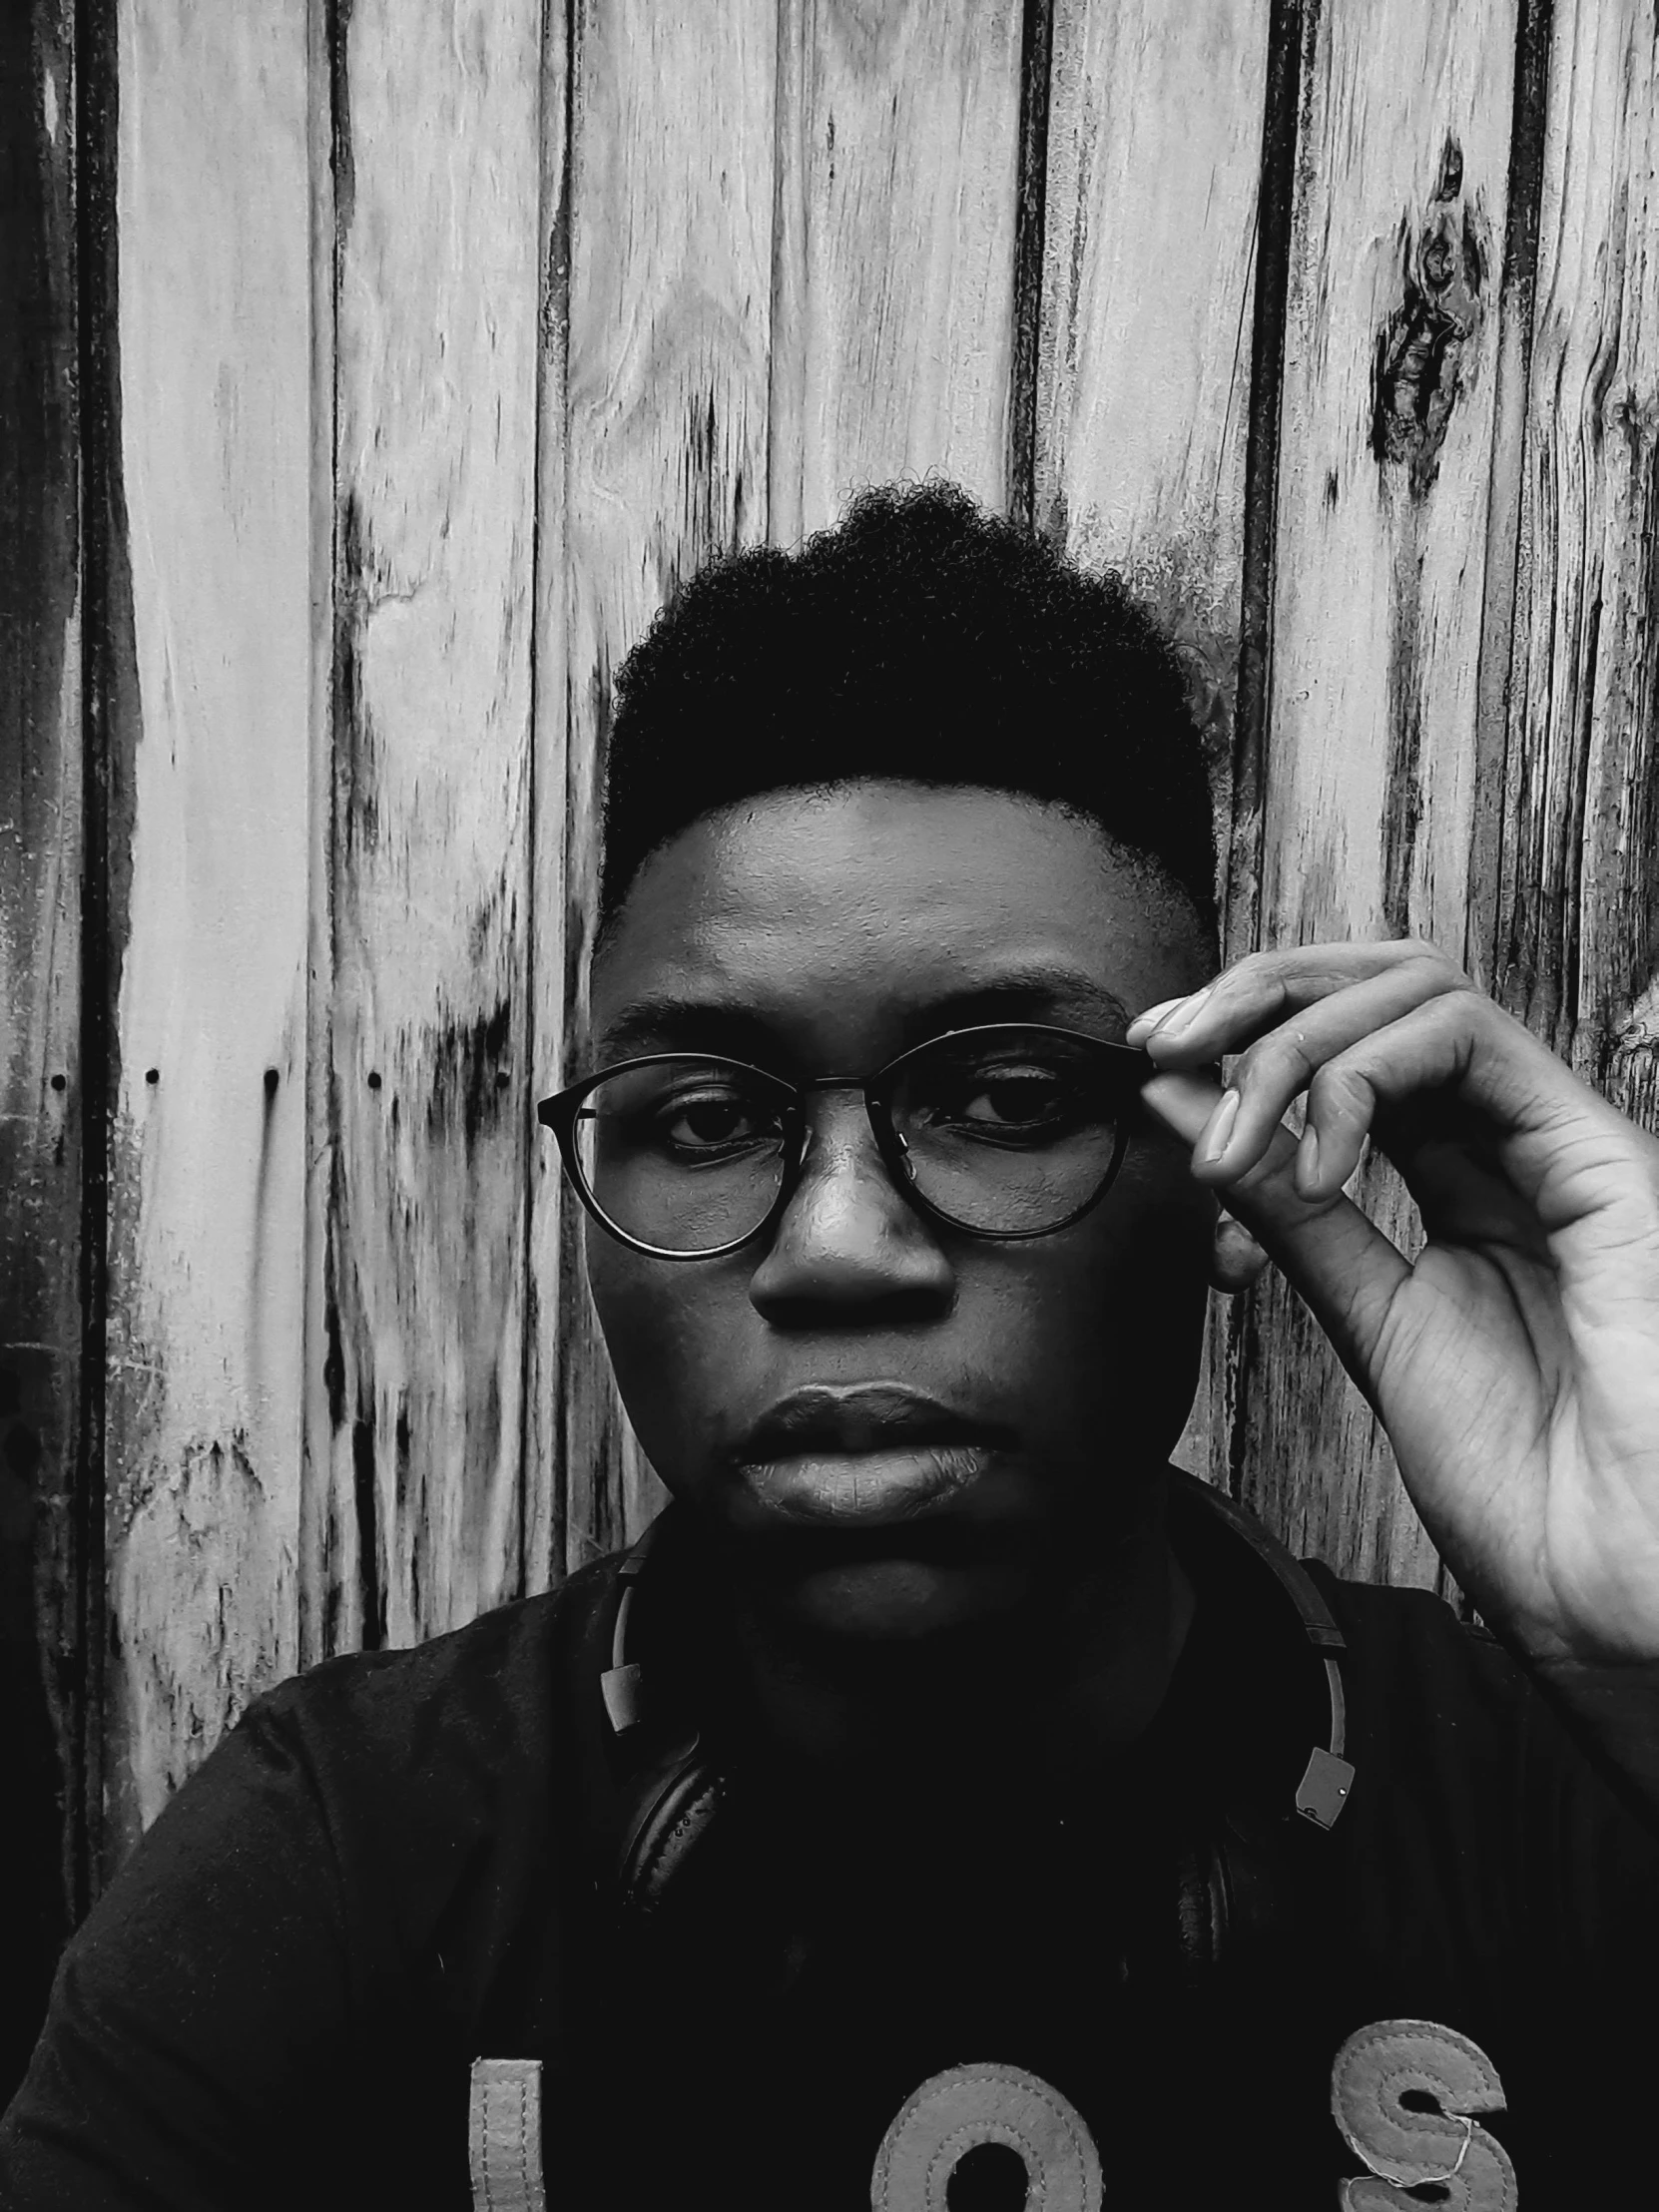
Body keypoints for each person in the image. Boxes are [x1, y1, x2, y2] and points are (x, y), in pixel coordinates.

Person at [3, 481, 1658, 2210]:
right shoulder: (338, 1866)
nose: (837, 1245)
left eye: (1007, 1097)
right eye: (708, 1118)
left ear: (1231, 1180)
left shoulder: (1567, 1809)